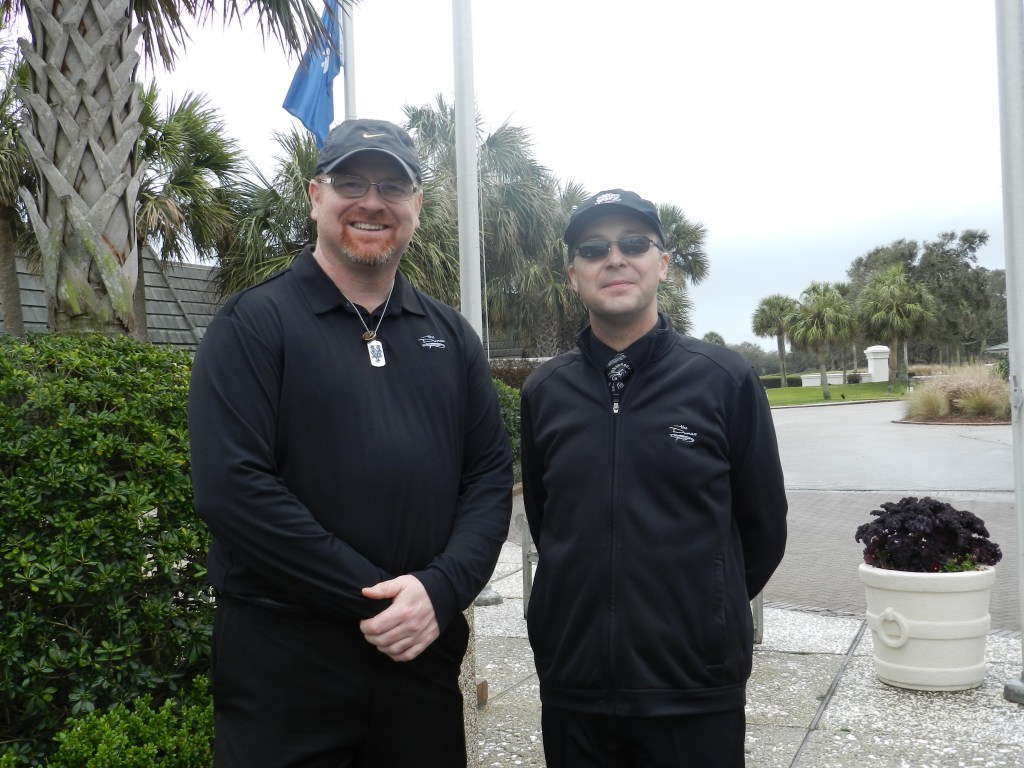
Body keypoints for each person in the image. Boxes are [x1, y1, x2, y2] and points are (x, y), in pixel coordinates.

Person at [188, 118, 513, 768]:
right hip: (286, 667)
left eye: (392, 185)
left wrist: (440, 590)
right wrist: (382, 598)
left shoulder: (450, 336)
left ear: (416, 205)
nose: (372, 201)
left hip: (420, 659)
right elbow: (233, 490)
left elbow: (487, 478)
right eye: (351, 183)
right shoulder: (254, 324)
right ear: (316, 197)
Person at [519, 189, 788, 767]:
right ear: (573, 275)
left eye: (634, 244)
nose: (614, 259)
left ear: (662, 263)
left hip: (694, 688)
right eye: (594, 249)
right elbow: (546, 520)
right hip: (575, 686)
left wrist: (704, 610)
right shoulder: (545, 391)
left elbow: (762, 527)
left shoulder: (724, 379)